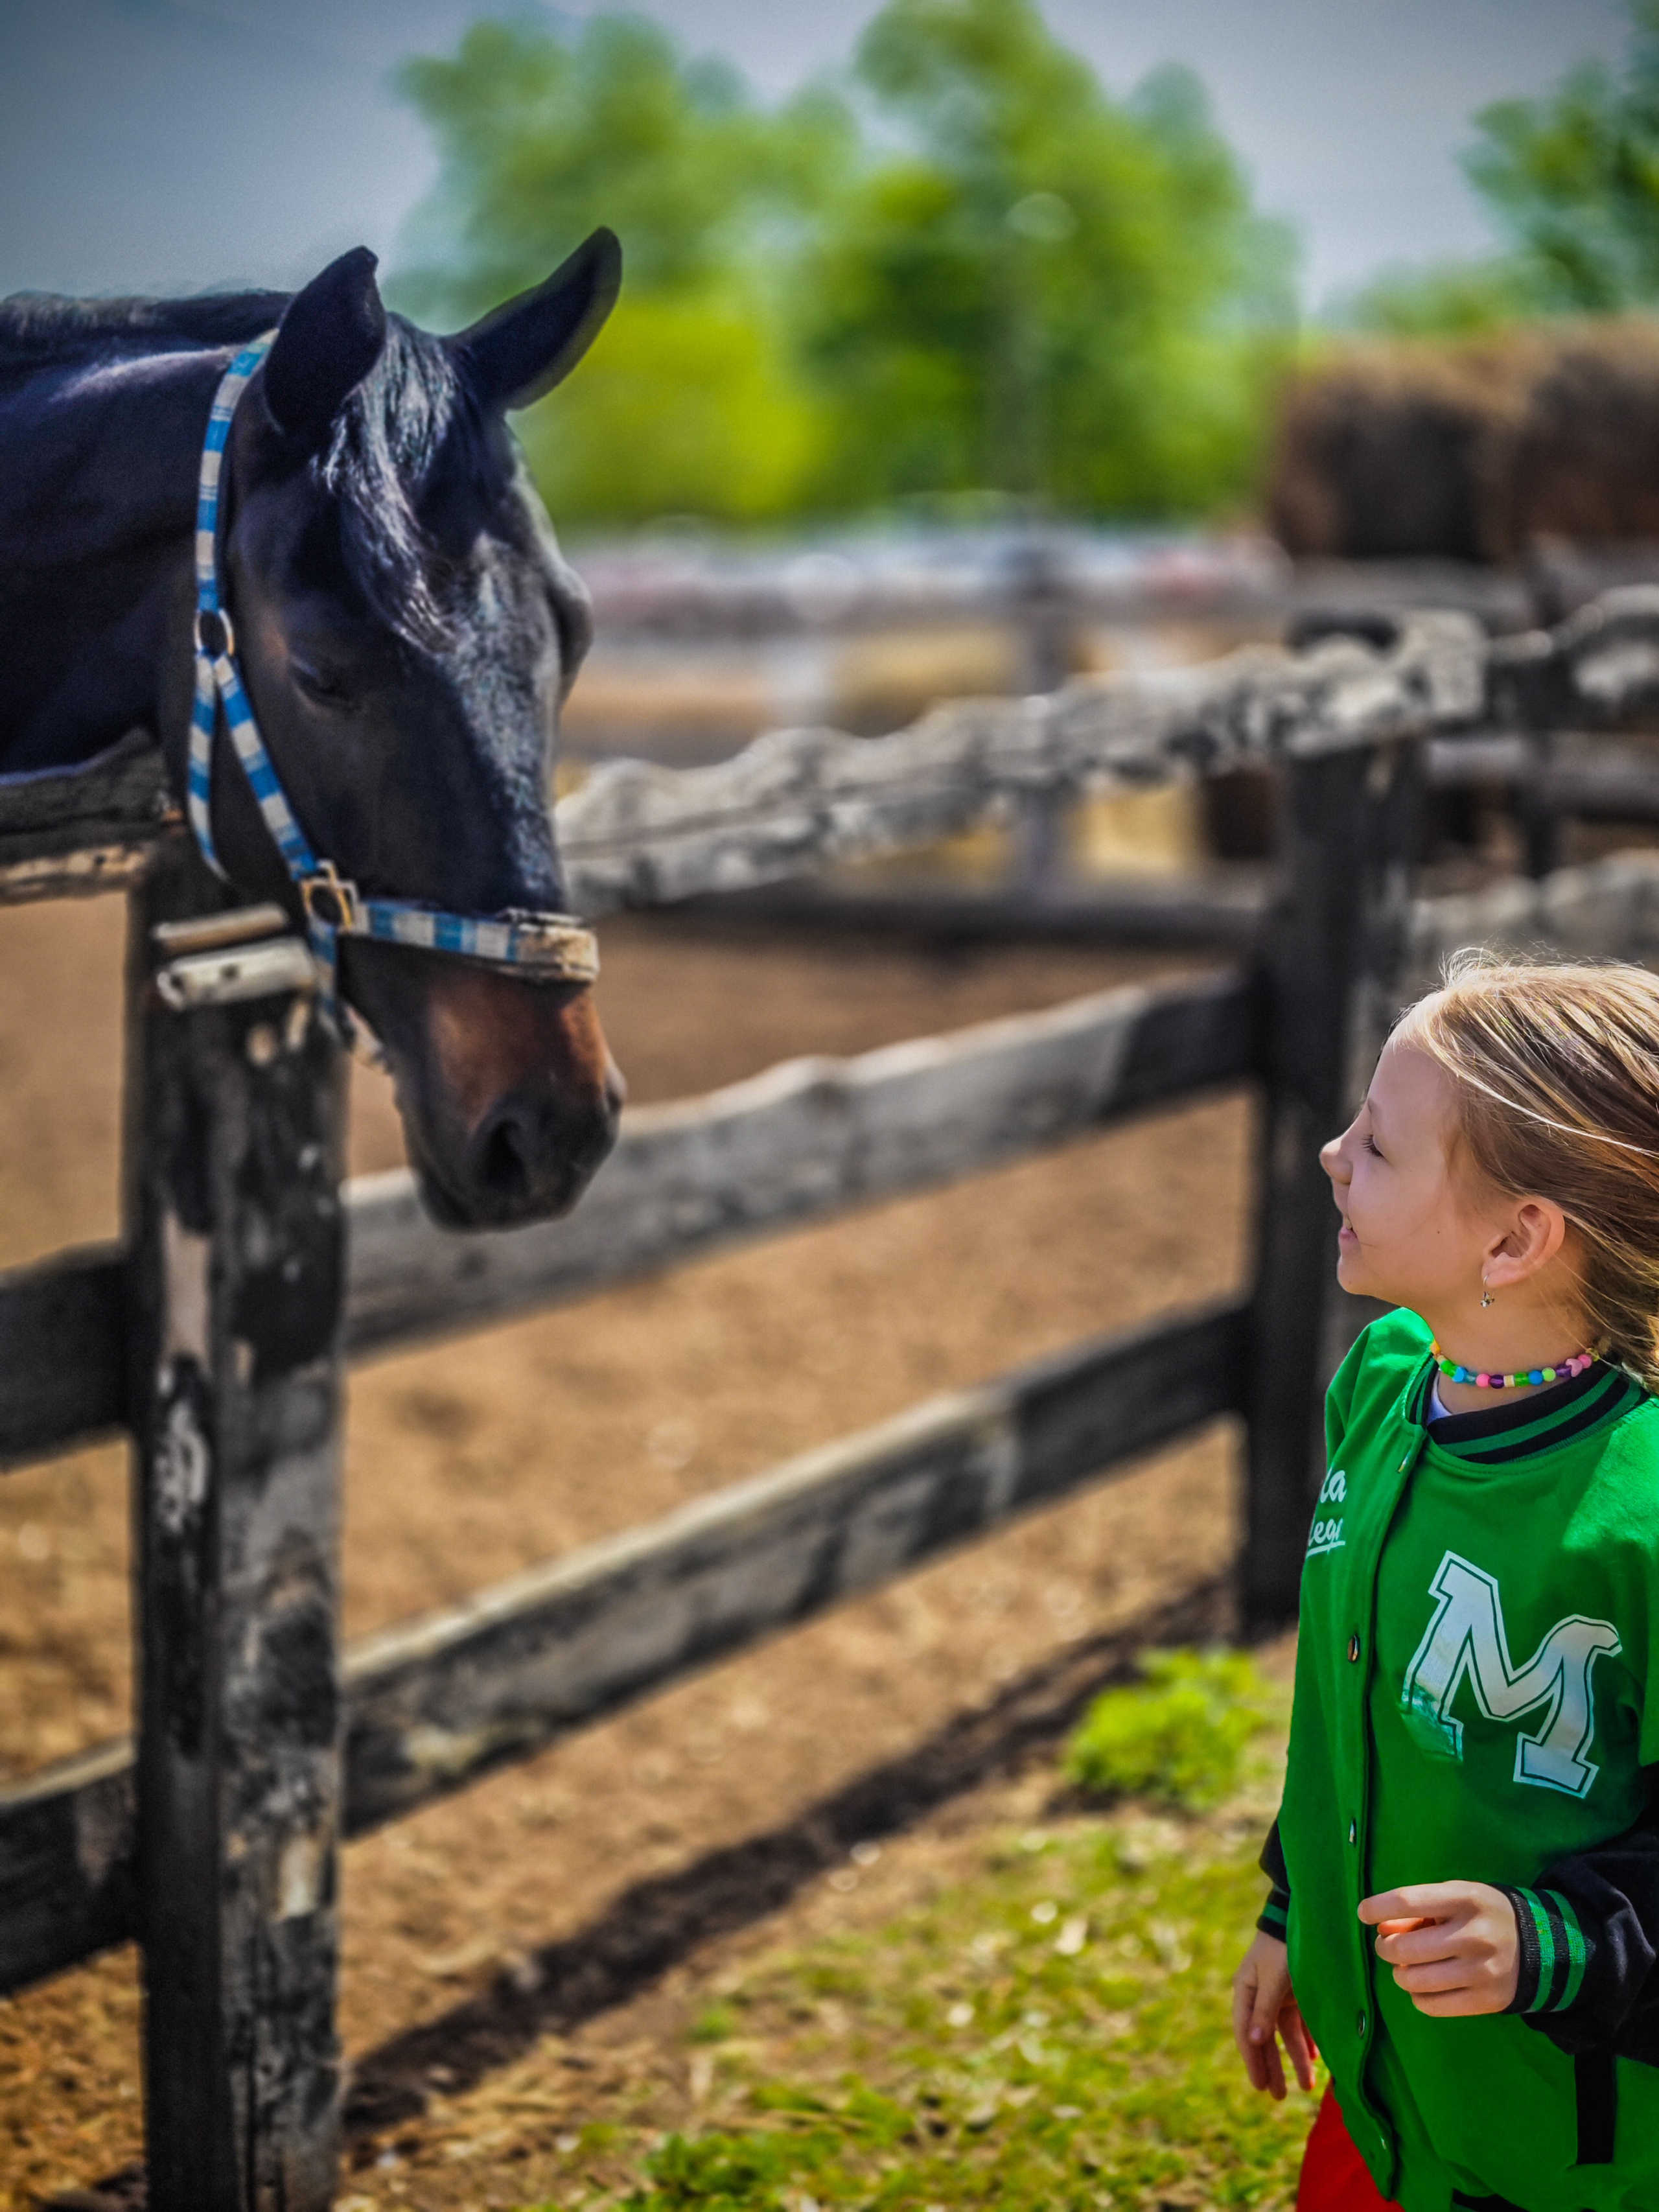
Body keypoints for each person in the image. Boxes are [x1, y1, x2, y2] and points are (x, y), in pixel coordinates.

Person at [1230, 955, 1659, 2212]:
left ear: (1515, 1238)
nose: (1326, 1156)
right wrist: (1288, 1904)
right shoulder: (1379, 1380)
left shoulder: (1637, 1516)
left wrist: (1557, 1943)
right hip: (1393, 2094)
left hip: (1573, 2145)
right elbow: (1349, 1705)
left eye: (1375, 1145)